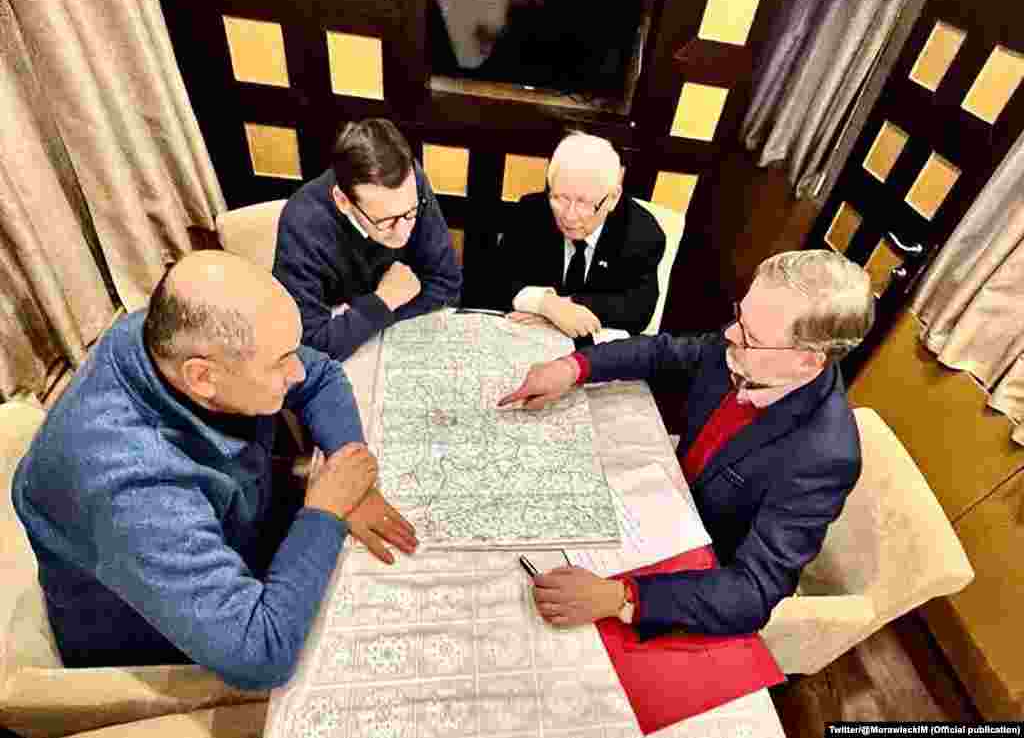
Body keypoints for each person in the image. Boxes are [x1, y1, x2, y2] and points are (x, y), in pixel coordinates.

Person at [12, 251, 418, 690]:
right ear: (203, 378)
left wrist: (347, 465)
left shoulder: (167, 335)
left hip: (236, 529)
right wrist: (325, 512)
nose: (296, 369)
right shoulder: (130, 488)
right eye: (280, 360)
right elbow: (260, 656)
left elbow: (320, 374)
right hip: (159, 646)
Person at [498, 250, 875, 637]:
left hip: (694, 572)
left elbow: (754, 590)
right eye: (740, 317)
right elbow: (663, 353)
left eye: (751, 336)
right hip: (660, 504)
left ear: (807, 363)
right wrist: (574, 367)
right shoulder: (748, 344)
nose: (730, 335)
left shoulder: (825, 456)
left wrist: (620, 597)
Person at [273, 118, 462, 362]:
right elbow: (309, 344)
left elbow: (446, 284)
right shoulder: (302, 222)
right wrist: (385, 300)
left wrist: (356, 321)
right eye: (386, 221)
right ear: (343, 201)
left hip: (388, 343)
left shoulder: (411, 181)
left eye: (411, 212)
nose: (404, 232)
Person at [481, 132, 665, 337]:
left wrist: (566, 307)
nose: (569, 216)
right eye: (559, 198)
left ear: (613, 197)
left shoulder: (642, 235)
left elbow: (637, 310)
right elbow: (492, 281)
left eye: (584, 203)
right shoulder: (531, 212)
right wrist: (544, 304)